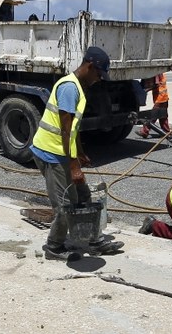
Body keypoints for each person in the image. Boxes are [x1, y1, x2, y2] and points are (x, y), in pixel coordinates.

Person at [30, 46, 124, 261]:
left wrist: (80, 152)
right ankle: (54, 246)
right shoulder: (69, 88)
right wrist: (73, 166)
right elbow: (64, 128)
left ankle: (93, 239)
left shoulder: (79, 88)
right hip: (51, 154)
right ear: (90, 67)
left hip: (63, 152)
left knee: (84, 196)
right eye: (99, 74)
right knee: (65, 205)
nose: (99, 79)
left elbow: (73, 128)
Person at [137, 72, 171, 138]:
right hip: (164, 97)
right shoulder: (161, 74)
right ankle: (166, 132)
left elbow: (154, 85)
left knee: (153, 115)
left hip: (160, 97)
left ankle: (145, 131)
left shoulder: (156, 75)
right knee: (163, 116)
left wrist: (143, 91)